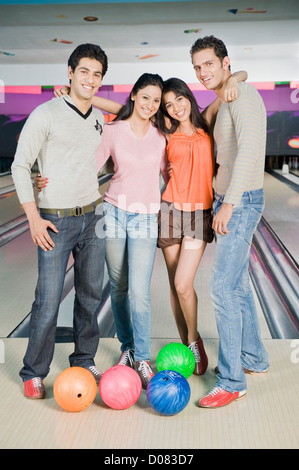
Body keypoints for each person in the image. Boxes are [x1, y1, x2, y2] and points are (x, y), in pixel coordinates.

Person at [11, 43, 108, 399]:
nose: (90, 79)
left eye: (97, 74)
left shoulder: (98, 118)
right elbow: (20, 165)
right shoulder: (46, 113)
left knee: (90, 296)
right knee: (48, 299)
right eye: (84, 71)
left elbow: (101, 161)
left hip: (93, 216)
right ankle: (34, 371)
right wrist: (33, 217)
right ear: (70, 72)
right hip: (54, 220)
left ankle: (84, 358)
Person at [190, 35, 269, 408]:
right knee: (236, 283)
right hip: (228, 198)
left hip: (240, 201)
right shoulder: (226, 95)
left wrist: (228, 204)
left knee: (222, 287)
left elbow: (251, 152)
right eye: (197, 67)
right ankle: (254, 358)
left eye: (209, 64)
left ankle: (232, 381)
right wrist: (234, 77)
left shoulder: (243, 97)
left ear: (224, 62)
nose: (203, 71)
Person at [157, 73, 246, 376]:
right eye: (168, 104)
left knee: (184, 284)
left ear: (188, 97)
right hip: (170, 212)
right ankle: (185, 345)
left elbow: (231, 83)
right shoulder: (166, 132)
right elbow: (124, 111)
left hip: (198, 214)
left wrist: (237, 77)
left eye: (179, 98)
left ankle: (194, 342)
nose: (175, 107)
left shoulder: (206, 121)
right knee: (174, 286)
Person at [96, 73, 169, 389]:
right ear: (134, 95)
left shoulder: (161, 134)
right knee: (118, 285)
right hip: (113, 211)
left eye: (156, 100)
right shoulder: (112, 130)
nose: (151, 105)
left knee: (139, 291)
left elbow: (169, 173)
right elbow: (92, 167)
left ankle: (142, 357)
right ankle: (126, 347)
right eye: (146, 97)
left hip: (145, 217)